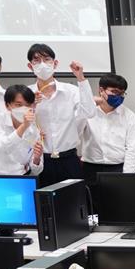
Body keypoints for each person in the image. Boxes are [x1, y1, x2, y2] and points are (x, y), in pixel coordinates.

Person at [25, 44, 95, 185]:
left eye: (47, 59)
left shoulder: (71, 91)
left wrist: (80, 78)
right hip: (40, 160)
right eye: (37, 60)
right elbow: (20, 127)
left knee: (72, 198)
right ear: (30, 66)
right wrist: (31, 106)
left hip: (68, 159)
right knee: (42, 198)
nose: (42, 64)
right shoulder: (26, 94)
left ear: (55, 63)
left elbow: (90, 112)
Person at [80, 73, 135, 183]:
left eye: (122, 93)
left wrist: (126, 177)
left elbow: (132, 150)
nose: (118, 96)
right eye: (114, 92)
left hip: (117, 168)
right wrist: (88, 105)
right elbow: (75, 133)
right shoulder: (89, 112)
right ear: (101, 90)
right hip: (90, 167)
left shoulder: (129, 116)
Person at [0, 85, 44, 176]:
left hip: (19, 177)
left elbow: (36, 171)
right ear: (7, 105)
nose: (24, 109)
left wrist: (36, 159)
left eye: (28, 105)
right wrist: (24, 126)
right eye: (19, 105)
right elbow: (3, 146)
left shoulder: (34, 129)